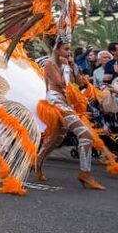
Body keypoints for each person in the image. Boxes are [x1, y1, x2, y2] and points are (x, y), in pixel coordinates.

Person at [35, 38, 105, 189]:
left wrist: (73, 67)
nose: (69, 53)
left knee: (56, 139)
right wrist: (66, 66)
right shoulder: (49, 64)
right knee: (85, 135)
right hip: (55, 102)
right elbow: (61, 83)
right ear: (56, 50)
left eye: (69, 49)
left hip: (66, 102)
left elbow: (79, 83)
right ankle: (85, 174)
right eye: (66, 49)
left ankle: (37, 163)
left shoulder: (67, 64)